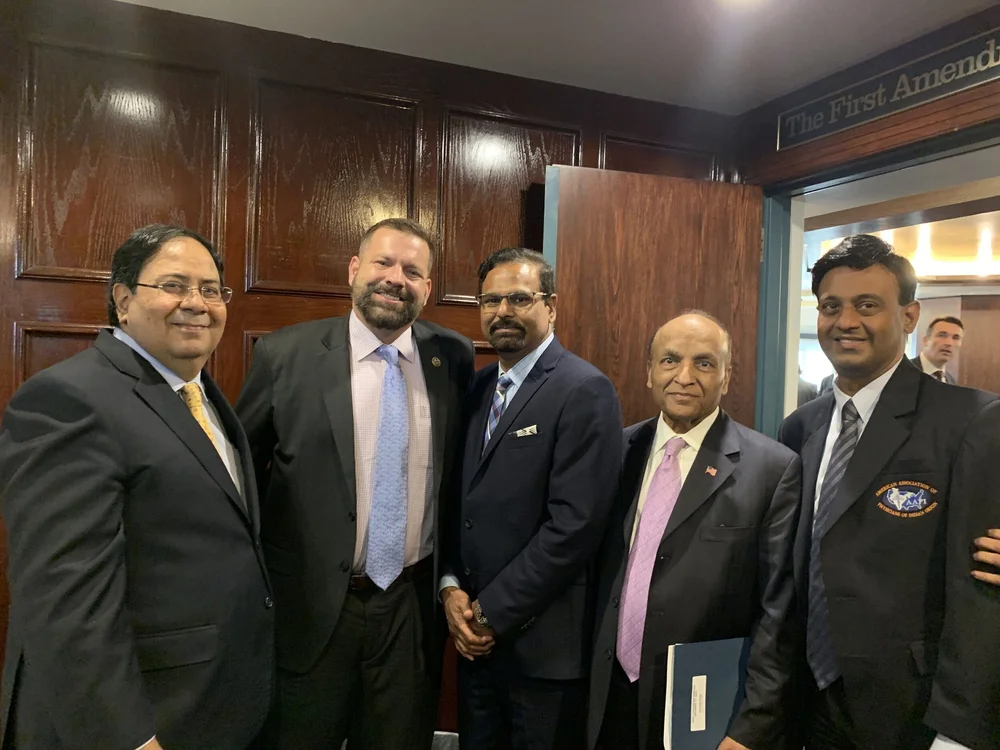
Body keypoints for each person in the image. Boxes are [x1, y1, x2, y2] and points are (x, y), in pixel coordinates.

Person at [0, 225, 273, 750]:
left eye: (211, 290)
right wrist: (125, 737)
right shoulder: (68, 400)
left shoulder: (203, 395)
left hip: (205, 706)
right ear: (123, 300)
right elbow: (65, 599)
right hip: (136, 720)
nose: (197, 303)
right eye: (174, 285)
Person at [236, 218, 474, 749]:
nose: (396, 278)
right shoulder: (285, 355)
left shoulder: (453, 357)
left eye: (413, 271)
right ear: (354, 270)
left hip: (410, 612)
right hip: (313, 607)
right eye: (383, 263)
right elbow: (241, 477)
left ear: (428, 288)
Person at [777, 234, 1000, 750]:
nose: (845, 321)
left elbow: (984, 592)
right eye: (831, 306)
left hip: (913, 712)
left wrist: (960, 731)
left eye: (867, 305)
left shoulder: (971, 420)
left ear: (908, 316)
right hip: (807, 703)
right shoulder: (799, 427)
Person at [588, 312, 801, 750]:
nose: (684, 377)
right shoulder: (616, 452)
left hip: (705, 707)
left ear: (727, 374)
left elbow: (778, 616)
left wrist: (751, 728)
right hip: (607, 698)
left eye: (704, 363)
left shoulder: (772, 469)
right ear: (649, 372)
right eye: (670, 360)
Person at [440, 247, 622, 750]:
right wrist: (450, 586)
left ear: (552, 306)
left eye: (519, 298)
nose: (502, 312)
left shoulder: (584, 389)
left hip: (542, 654)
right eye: (491, 300)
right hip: (477, 650)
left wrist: (489, 613)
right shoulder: (478, 388)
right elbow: (461, 505)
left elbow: (575, 527)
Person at [912, 316, 963, 384]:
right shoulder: (902, 370)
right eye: (942, 335)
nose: (949, 343)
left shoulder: (951, 382)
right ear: (926, 340)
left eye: (955, 338)